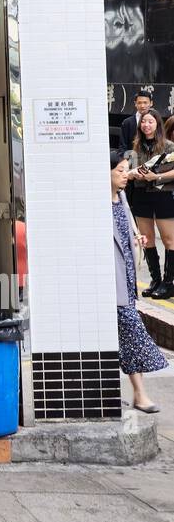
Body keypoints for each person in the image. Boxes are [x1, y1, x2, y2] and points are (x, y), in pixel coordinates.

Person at [110, 150, 166, 413]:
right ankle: (140, 393)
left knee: (127, 334)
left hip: (127, 275)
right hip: (111, 280)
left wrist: (137, 240)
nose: (125, 176)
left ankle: (139, 394)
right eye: (119, 171)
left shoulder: (121, 197)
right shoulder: (96, 204)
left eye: (125, 170)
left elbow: (127, 231)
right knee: (132, 331)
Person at [125, 108, 174, 299]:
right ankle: (155, 280)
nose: (146, 125)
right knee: (147, 239)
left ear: (157, 124)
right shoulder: (135, 147)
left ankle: (169, 283)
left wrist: (157, 176)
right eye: (143, 122)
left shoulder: (169, 146)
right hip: (141, 194)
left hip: (163, 195)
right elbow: (127, 170)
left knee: (169, 239)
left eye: (150, 122)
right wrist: (132, 174)